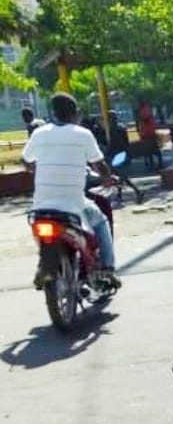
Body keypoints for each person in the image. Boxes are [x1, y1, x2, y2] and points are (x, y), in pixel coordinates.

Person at [22, 93, 120, 287]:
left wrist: (38, 168)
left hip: (41, 205)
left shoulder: (39, 133)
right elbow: (100, 165)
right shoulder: (83, 134)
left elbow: (26, 160)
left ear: (54, 113)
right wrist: (107, 180)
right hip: (74, 204)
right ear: (76, 113)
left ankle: (44, 266)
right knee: (101, 221)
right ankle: (108, 269)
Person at [106, 111, 144, 205]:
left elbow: (113, 143)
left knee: (122, 176)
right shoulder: (122, 127)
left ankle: (137, 191)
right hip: (123, 153)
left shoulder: (113, 129)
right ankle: (120, 195)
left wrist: (107, 152)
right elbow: (126, 142)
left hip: (118, 154)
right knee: (121, 176)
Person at [136, 99, 162, 172]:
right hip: (146, 132)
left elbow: (146, 118)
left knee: (152, 149)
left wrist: (140, 119)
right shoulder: (144, 109)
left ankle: (156, 164)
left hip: (149, 133)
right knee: (149, 150)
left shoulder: (145, 109)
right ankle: (152, 164)